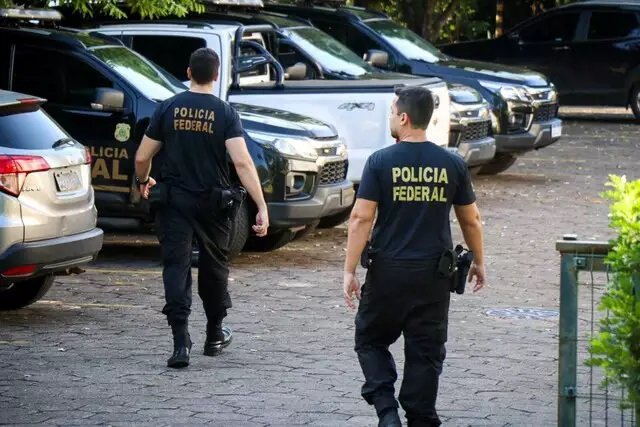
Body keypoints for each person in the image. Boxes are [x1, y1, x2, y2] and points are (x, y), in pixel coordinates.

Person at [342, 86, 486, 426]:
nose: (391, 118)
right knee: (426, 351)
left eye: (392, 113)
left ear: (404, 118)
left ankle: (387, 411)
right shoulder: (452, 163)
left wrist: (349, 270)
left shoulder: (380, 162)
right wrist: (479, 261)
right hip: (434, 276)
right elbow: (471, 219)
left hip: (387, 272)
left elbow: (361, 218)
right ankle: (421, 417)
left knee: (370, 339)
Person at [134, 48, 269, 368]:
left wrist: (143, 180)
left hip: (173, 203)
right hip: (213, 204)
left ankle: (180, 342)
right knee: (214, 267)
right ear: (217, 75)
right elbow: (242, 162)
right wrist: (261, 205)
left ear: (188, 73)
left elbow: (142, 156)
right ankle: (214, 335)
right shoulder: (225, 113)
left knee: (176, 267)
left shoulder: (168, 107)